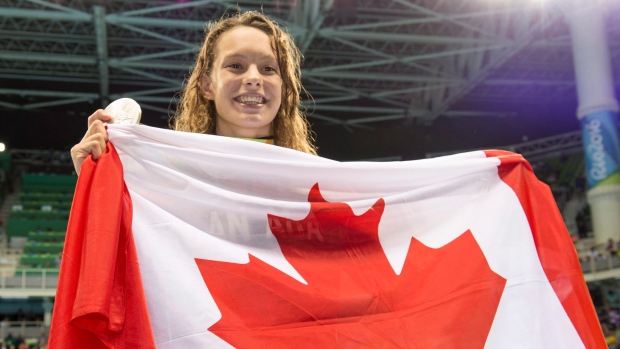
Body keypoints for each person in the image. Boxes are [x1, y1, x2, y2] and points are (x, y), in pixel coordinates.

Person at [71, 11, 316, 175]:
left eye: (268, 68)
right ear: (207, 86)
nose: (253, 78)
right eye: (235, 66)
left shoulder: (314, 181)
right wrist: (94, 177)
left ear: (284, 88)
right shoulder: (165, 175)